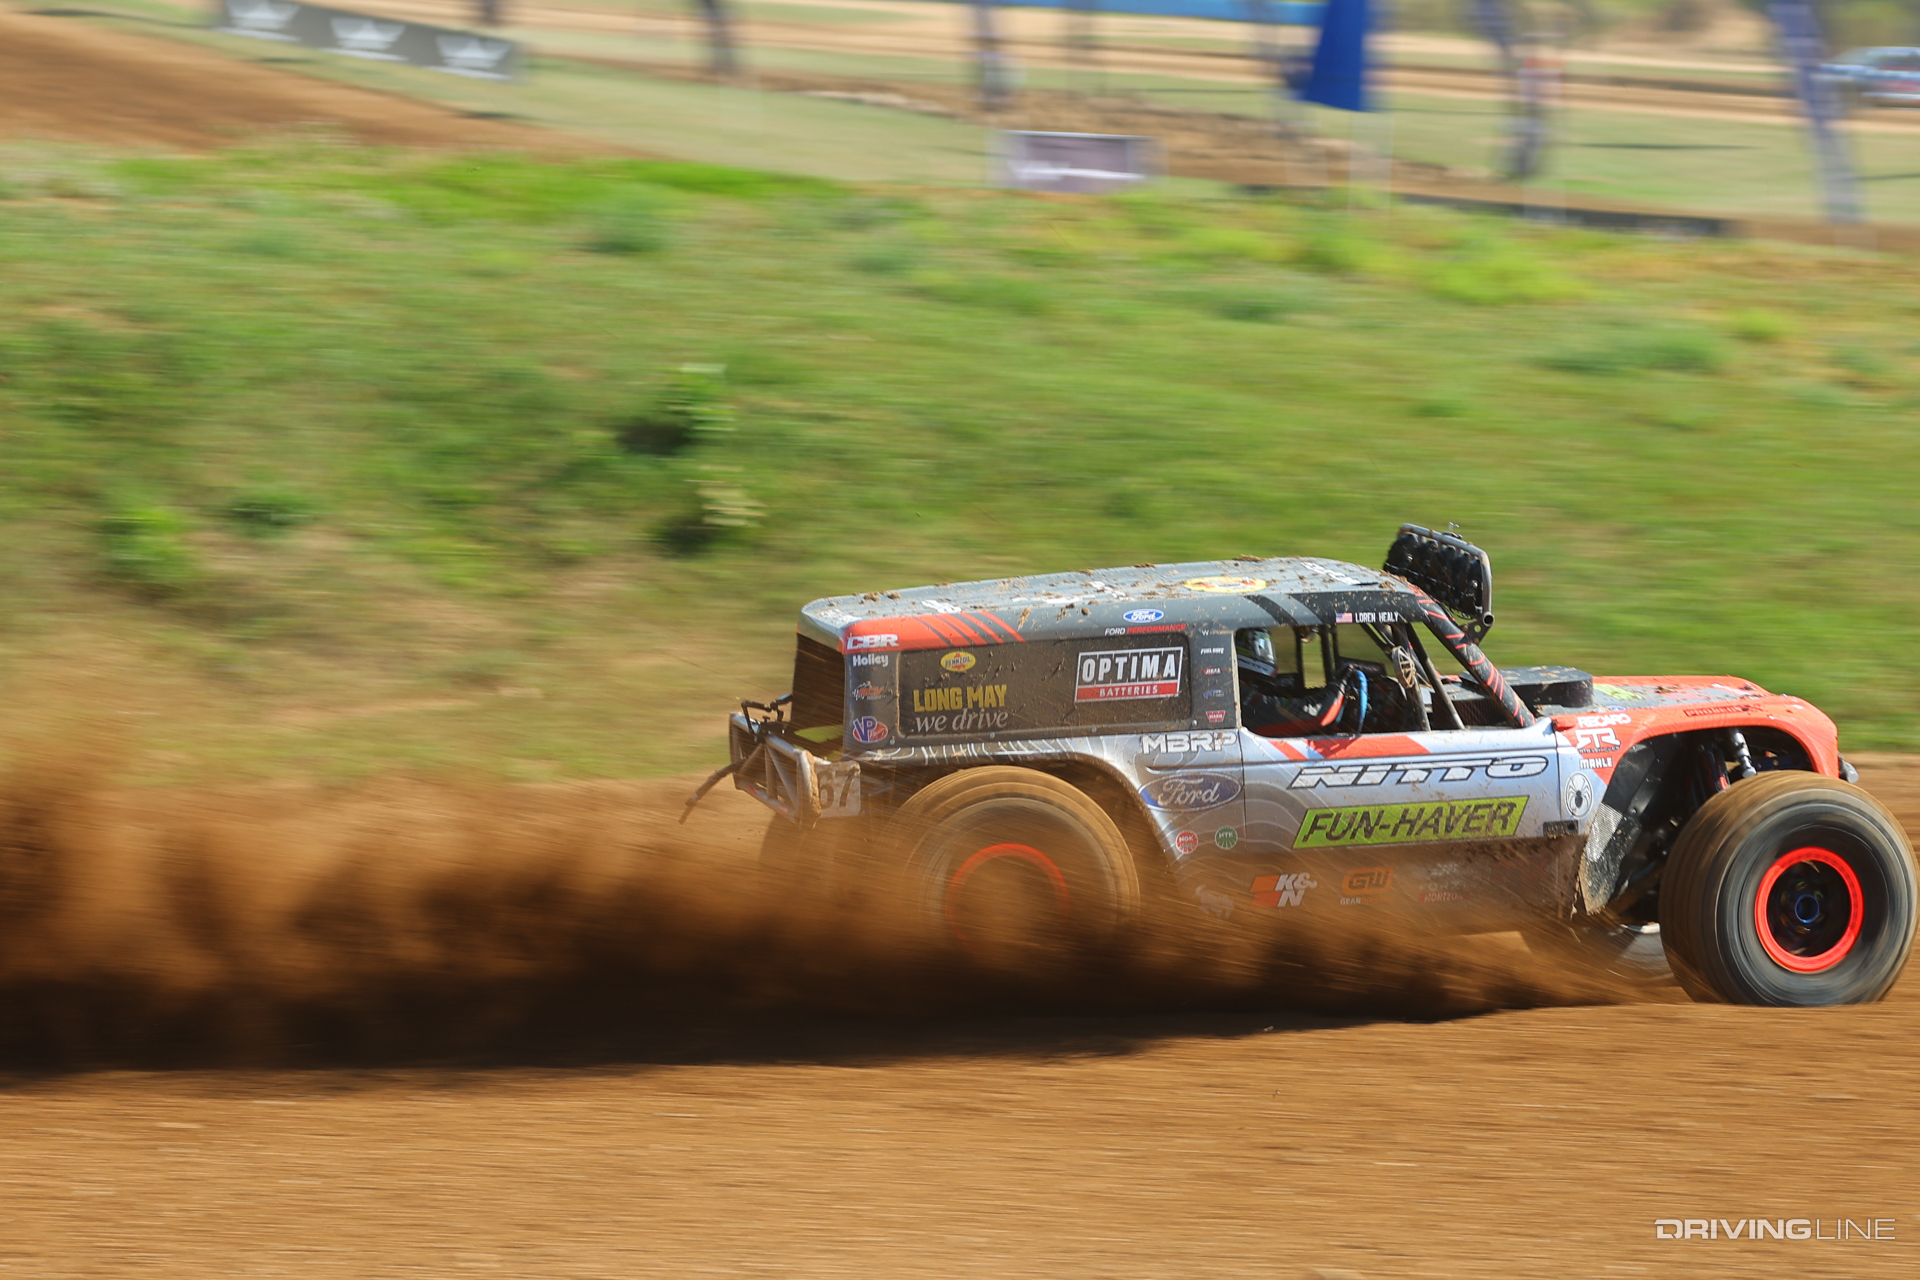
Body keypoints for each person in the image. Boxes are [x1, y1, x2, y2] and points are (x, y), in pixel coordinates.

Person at [1236, 628, 1355, 738]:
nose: (1265, 652)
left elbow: (1282, 695)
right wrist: (1339, 687)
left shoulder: (1240, 689)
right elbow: (1314, 715)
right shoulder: (1239, 695)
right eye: (1261, 647)